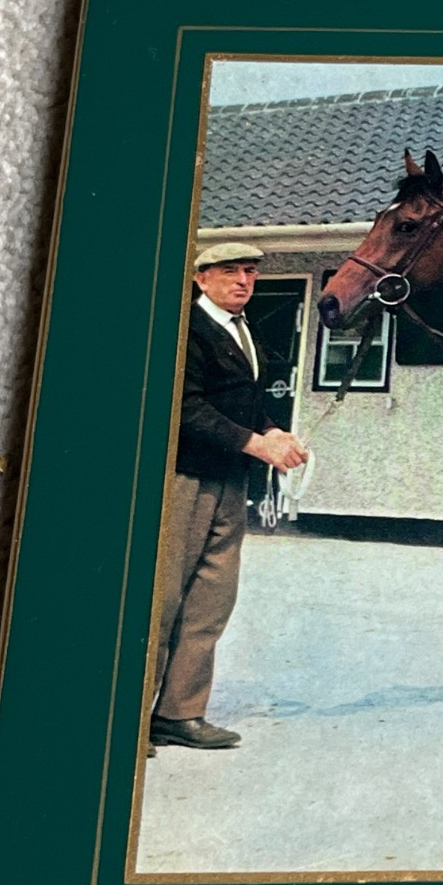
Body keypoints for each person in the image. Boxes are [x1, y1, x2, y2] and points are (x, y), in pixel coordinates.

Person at [149, 243, 308, 751]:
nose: (243, 280)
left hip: (229, 481)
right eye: (230, 271)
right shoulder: (185, 328)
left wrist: (273, 431)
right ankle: (123, 719)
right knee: (160, 600)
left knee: (210, 601)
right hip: (185, 478)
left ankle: (179, 713)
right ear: (201, 278)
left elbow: (245, 403)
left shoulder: (244, 331)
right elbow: (184, 406)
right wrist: (255, 444)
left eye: (250, 272)